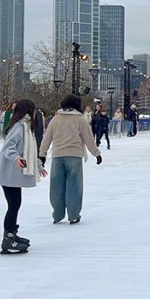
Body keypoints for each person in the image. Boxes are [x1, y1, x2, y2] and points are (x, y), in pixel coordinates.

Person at [0, 99, 47, 254]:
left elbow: (30, 151)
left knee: (15, 204)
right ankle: (8, 239)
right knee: (13, 205)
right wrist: (16, 158)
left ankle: (12, 234)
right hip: (9, 172)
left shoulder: (26, 126)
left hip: (13, 173)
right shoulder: (19, 127)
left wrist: (38, 166)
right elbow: (8, 147)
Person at [39, 94, 102, 226]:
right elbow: (88, 138)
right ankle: (73, 215)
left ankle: (57, 214)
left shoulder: (56, 119)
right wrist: (96, 154)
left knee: (56, 187)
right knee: (74, 187)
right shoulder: (80, 120)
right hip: (74, 156)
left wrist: (42, 154)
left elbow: (47, 138)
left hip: (57, 156)